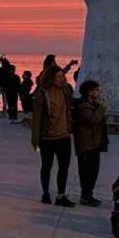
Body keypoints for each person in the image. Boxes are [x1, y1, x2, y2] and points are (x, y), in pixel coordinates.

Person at [31, 67, 76, 207]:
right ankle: (45, 193)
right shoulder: (42, 94)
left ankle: (61, 195)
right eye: (58, 77)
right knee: (47, 166)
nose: (61, 79)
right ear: (50, 78)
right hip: (48, 138)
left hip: (64, 136)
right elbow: (37, 118)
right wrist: (35, 140)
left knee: (64, 167)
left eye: (62, 76)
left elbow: (72, 106)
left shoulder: (66, 91)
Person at [73, 81, 108, 206]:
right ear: (89, 92)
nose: (98, 92)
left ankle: (89, 194)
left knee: (93, 171)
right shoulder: (84, 106)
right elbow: (92, 120)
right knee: (87, 171)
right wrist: (102, 109)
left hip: (94, 143)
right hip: (86, 144)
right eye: (96, 90)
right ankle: (85, 196)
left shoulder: (92, 105)